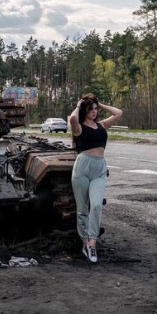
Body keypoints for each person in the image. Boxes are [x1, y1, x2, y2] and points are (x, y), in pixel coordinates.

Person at [68, 93, 122, 263]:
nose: (94, 112)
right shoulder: (79, 127)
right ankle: (85, 242)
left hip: (99, 167)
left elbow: (118, 113)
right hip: (83, 167)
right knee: (83, 209)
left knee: (97, 205)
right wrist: (78, 105)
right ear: (84, 110)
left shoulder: (101, 125)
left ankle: (93, 242)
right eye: (91, 109)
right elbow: (71, 119)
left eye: (96, 109)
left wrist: (100, 103)